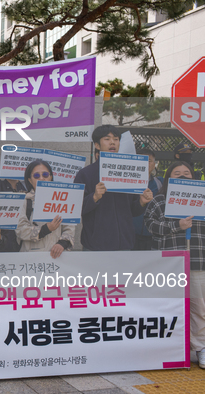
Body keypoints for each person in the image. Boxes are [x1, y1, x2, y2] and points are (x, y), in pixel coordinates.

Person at [143, 161, 205, 368]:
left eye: (186, 173)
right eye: (176, 173)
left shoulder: (203, 199)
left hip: (198, 260)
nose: (182, 177)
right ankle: (170, 346)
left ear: (194, 178)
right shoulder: (160, 200)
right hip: (169, 263)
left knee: (199, 307)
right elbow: (150, 225)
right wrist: (176, 226)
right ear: (168, 178)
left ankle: (200, 347)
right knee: (169, 305)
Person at [74, 125, 153, 250]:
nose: (112, 142)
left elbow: (133, 211)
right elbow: (75, 208)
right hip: (95, 246)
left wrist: (141, 203)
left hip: (125, 244)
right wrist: (94, 197)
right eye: (107, 139)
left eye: (116, 139)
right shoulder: (86, 174)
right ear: (97, 145)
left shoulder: (129, 171)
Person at [16, 160, 75, 258]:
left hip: (59, 258)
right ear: (30, 180)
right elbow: (21, 231)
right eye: (36, 176)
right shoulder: (24, 201)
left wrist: (62, 244)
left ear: (51, 177)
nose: (41, 178)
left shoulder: (63, 199)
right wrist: (46, 229)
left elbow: (70, 228)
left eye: (45, 174)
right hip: (31, 259)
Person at [133, 148, 163, 250]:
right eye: (141, 160)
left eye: (148, 160)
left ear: (154, 164)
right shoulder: (126, 184)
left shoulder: (160, 184)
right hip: (130, 236)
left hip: (153, 237)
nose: (144, 163)